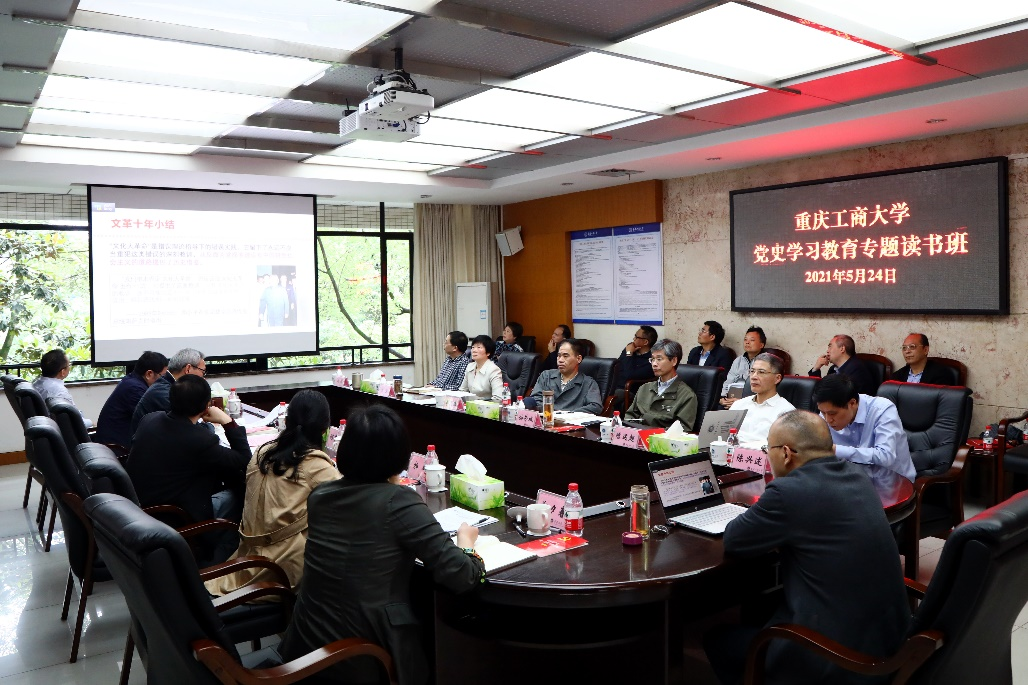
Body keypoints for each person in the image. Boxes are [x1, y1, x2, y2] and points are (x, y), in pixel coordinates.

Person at [279, 404, 485, 685]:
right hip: (362, 656)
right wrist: (466, 543)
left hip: (306, 644)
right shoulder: (398, 502)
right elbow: (464, 577)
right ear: (399, 454)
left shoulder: (321, 496)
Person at [705, 410, 910, 685]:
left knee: (717, 640)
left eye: (768, 449)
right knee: (762, 605)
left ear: (786, 453)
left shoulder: (788, 492)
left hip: (834, 657)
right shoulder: (856, 475)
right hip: (888, 641)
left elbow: (735, 539)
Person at [205, 389, 340, 596]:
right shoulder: (317, 466)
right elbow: (350, 505)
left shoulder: (262, 452)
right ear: (325, 430)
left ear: (286, 420)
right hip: (279, 572)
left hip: (245, 561)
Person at [127, 374, 251, 563]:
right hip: (178, 519)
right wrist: (228, 422)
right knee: (241, 495)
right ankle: (219, 561)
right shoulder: (199, 441)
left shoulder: (149, 420)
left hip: (143, 513)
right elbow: (245, 460)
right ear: (207, 406)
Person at [812, 374, 916, 482]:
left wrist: (836, 450)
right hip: (852, 481)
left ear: (852, 403)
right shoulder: (825, 415)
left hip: (893, 483)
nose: (828, 420)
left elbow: (886, 456)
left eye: (832, 413)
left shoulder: (882, 410)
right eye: (822, 412)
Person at [94, 350, 168, 448]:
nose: (164, 380)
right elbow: (151, 421)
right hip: (117, 448)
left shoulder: (131, 381)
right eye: (163, 376)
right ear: (149, 374)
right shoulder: (135, 389)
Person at [130, 348, 207, 435]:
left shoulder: (169, 385)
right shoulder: (163, 393)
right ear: (188, 369)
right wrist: (212, 425)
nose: (203, 377)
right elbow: (190, 428)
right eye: (203, 371)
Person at [624, 339, 697, 430]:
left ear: (674, 361)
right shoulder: (644, 388)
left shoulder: (687, 395)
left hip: (662, 438)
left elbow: (683, 429)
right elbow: (630, 417)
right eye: (652, 359)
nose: (654, 364)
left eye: (659, 359)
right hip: (638, 435)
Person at [729, 353, 795, 446]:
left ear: (777, 378)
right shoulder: (739, 405)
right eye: (752, 371)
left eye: (761, 372)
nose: (754, 377)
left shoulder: (786, 412)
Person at [530, 338, 603, 414]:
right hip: (547, 418)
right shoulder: (546, 376)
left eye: (565, 356)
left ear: (578, 359)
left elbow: (595, 407)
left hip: (572, 420)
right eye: (559, 356)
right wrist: (552, 412)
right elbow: (535, 399)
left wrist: (568, 414)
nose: (560, 360)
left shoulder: (588, 383)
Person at [32, 349, 93, 427]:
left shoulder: (36, 384)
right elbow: (75, 421)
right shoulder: (59, 391)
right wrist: (92, 423)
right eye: (69, 365)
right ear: (63, 372)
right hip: (63, 431)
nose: (70, 367)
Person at [808, 334, 877, 395]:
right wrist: (816, 369)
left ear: (842, 349)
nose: (827, 351)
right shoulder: (833, 369)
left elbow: (832, 395)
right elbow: (820, 391)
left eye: (830, 346)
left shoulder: (857, 370)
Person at [611, 325, 658, 409]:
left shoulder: (652, 360)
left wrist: (629, 354)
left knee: (610, 395)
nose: (633, 339)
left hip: (629, 390)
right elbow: (618, 366)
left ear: (645, 342)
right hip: (614, 385)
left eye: (636, 337)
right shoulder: (630, 348)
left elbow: (629, 375)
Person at [720, 326, 766, 407]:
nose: (747, 342)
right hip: (732, 399)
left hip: (753, 402)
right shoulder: (738, 360)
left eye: (752, 340)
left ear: (761, 345)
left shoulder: (766, 361)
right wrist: (723, 398)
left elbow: (763, 387)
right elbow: (728, 381)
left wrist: (741, 402)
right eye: (745, 339)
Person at [459, 334, 504, 401]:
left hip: (487, 406)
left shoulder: (493, 369)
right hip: (470, 405)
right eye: (473, 347)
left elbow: (498, 398)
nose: (474, 350)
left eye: (479, 347)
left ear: (488, 352)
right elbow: (462, 391)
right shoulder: (470, 367)